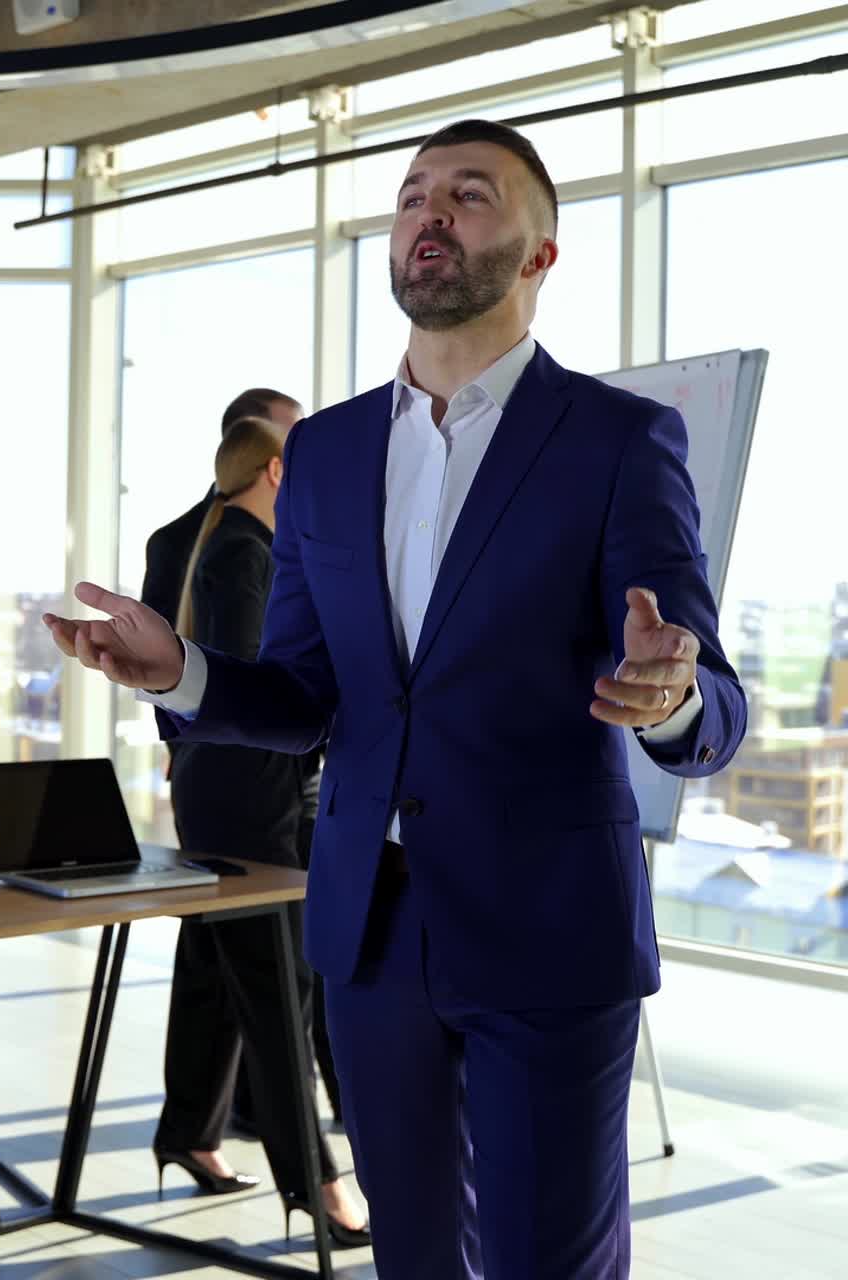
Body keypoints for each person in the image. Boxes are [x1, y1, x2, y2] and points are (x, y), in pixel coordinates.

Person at [43, 118, 747, 1278]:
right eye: (413, 193)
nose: (429, 212)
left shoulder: (617, 440)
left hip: (545, 925)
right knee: (412, 1255)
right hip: (370, 929)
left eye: (469, 195)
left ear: (537, 256)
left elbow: (707, 696)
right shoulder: (323, 451)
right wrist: (182, 671)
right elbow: (312, 693)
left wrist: (668, 694)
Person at [152, 418, 368, 1247]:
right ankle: (313, 1180)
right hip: (255, 798)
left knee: (218, 971)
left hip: (228, 792)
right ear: (278, 471)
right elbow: (267, 683)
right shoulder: (245, 551)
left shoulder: (218, 539)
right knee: (282, 986)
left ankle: (189, 1134)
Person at [140, 387, 304, 630]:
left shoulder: (304, 531)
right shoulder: (174, 542)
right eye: (291, 439)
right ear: (246, 438)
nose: (302, 451)